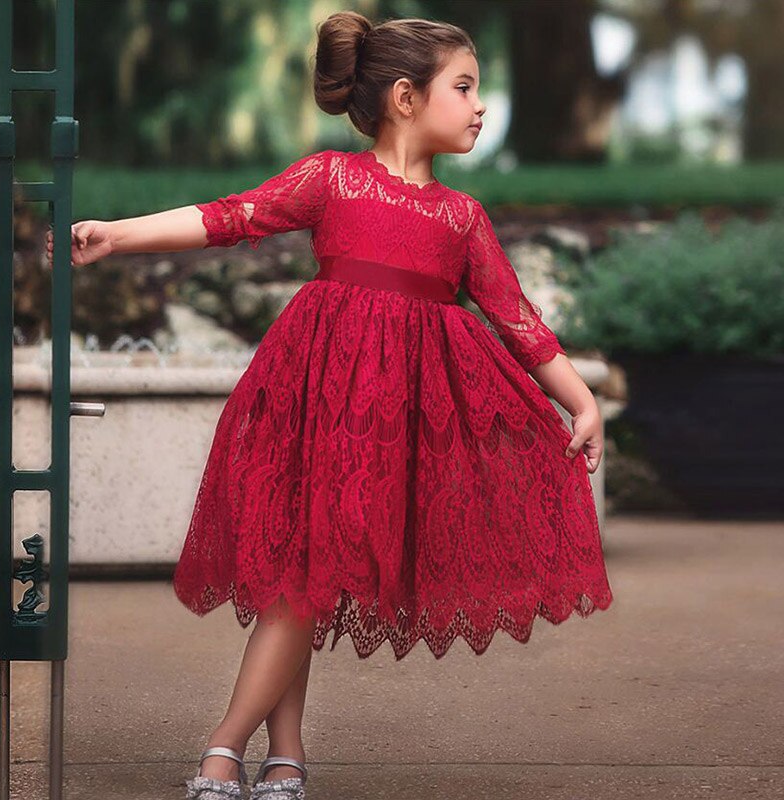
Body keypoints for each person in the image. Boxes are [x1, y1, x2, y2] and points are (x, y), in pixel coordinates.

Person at [47, 11, 614, 800]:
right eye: (465, 87)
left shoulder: (462, 218)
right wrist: (119, 235)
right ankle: (257, 750)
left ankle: (253, 750)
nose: (482, 104)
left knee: (308, 575)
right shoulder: (333, 178)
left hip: (391, 418)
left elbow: (515, 316)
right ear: (407, 98)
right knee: (300, 575)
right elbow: (231, 216)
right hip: (312, 393)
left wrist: (580, 400)